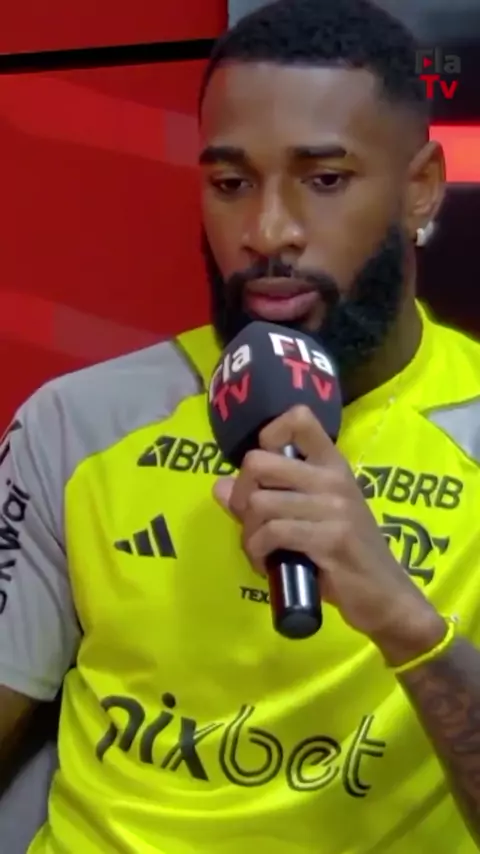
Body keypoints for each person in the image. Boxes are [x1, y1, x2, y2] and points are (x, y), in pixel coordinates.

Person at [1, 0, 480, 851]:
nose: (267, 233)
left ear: (420, 189)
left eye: (324, 180)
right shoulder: (78, 423)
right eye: (231, 184)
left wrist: (403, 620)